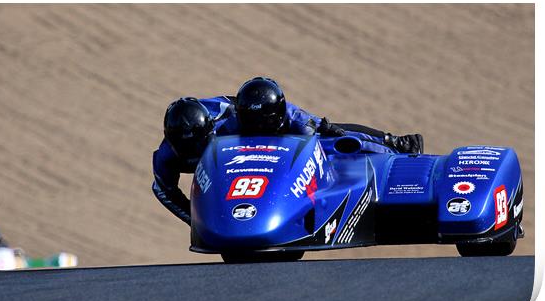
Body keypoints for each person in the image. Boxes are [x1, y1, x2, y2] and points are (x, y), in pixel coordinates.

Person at [152, 77, 424, 225]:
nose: (197, 151)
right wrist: (197, 221)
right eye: (190, 149)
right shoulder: (167, 155)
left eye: (201, 145)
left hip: (264, 113)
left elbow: (323, 139)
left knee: (330, 135)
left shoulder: (236, 124)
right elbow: (164, 190)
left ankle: (394, 143)